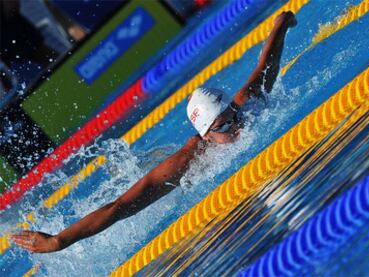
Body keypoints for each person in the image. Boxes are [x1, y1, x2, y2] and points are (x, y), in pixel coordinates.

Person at [12, 11, 297, 253]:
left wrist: (281, 23)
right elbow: (119, 207)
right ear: (206, 135)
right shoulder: (189, 161)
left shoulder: (244, 109)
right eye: (222, 126)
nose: (236, 127)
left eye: (232, 117)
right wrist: (60, 239)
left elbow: (265, 64)